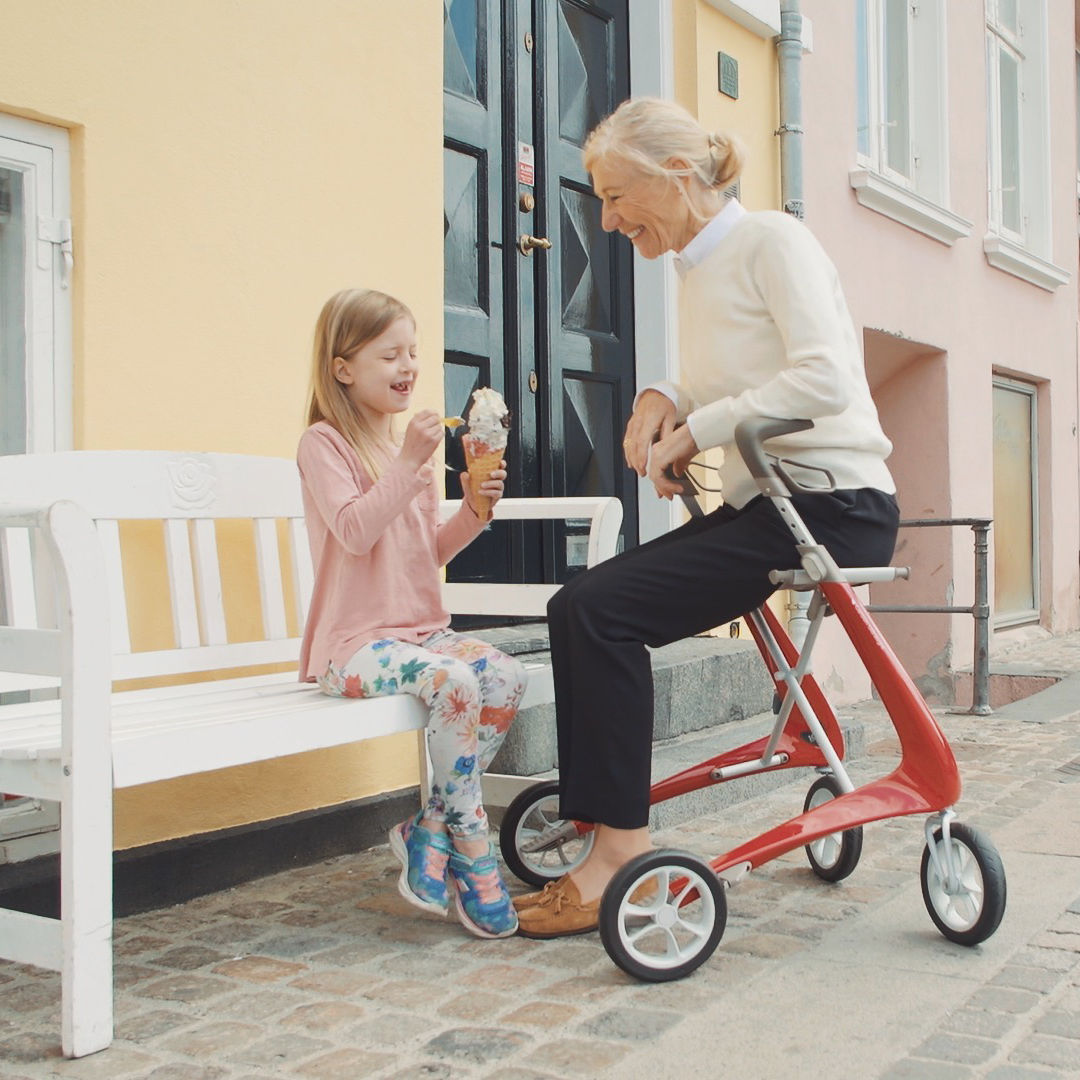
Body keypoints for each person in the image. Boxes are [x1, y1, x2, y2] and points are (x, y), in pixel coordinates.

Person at [515, 98, 900, 939]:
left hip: (833, 507)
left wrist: (697, 427)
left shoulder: (774, 241)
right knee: (573, 605)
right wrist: (668, 395)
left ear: (679, 178)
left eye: (617, 198)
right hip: (771, 504)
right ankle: (598, 826)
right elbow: (729, 375)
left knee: (605, 613)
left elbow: (824, 380)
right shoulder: (694, 267)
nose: (609, 221)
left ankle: (620, 852)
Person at [298, 287, 524, 939]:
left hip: (420, 634)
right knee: (455, 684)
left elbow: (427, 553)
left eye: (413, 353)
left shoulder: (410, 454)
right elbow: (354, 532)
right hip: (353, 646)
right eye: (389, 354)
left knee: (505, 676)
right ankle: (473, 852)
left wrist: (474, 513)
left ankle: (428, 828)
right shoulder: (324, 445)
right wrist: (407, 466)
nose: (408, 367)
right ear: (343, 367)